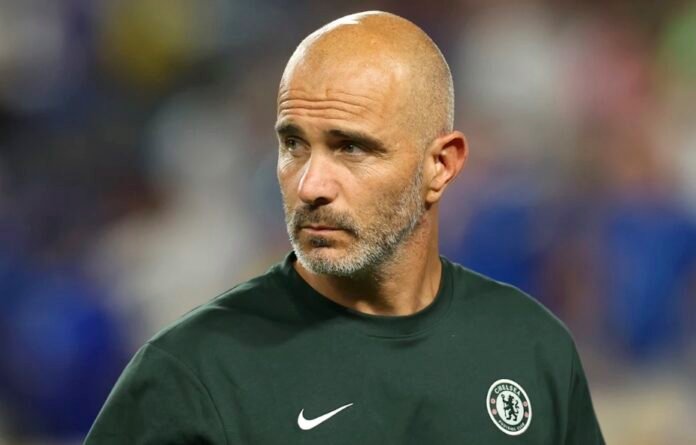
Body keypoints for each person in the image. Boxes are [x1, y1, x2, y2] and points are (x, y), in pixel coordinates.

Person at [85, 11, 604, 444]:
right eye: (293, 145)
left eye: (351, 147)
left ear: (440, 166)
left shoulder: (532, 348)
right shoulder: (191, 375)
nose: (310, 184)